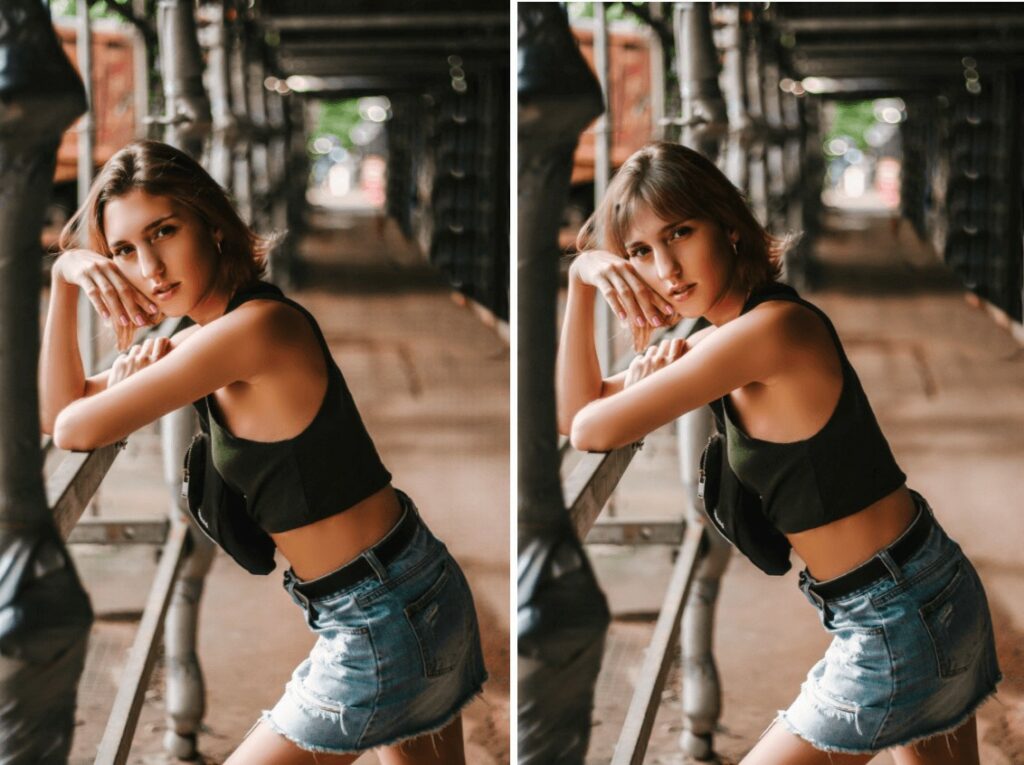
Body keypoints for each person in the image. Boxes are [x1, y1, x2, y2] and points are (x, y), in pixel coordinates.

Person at [41, 139, 486, 764]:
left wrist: (85, 296)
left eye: (164, 232)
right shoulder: (206, 341)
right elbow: (61, 407)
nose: (149, 268)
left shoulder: (252, 330)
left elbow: (72, 430)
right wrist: (65, 276)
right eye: (122, 251)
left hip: (382, 617)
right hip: (406, 588)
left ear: (213, 227)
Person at [556, 142, 1001, 765]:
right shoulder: (721, 342)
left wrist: (641, 360)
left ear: (730, 227)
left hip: (898, 616)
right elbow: (577, 409)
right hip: (917, 590)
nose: (666, 269)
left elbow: (589, 431)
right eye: (639, 252)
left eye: (681, 233)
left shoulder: (766, 332)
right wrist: (582, 278)